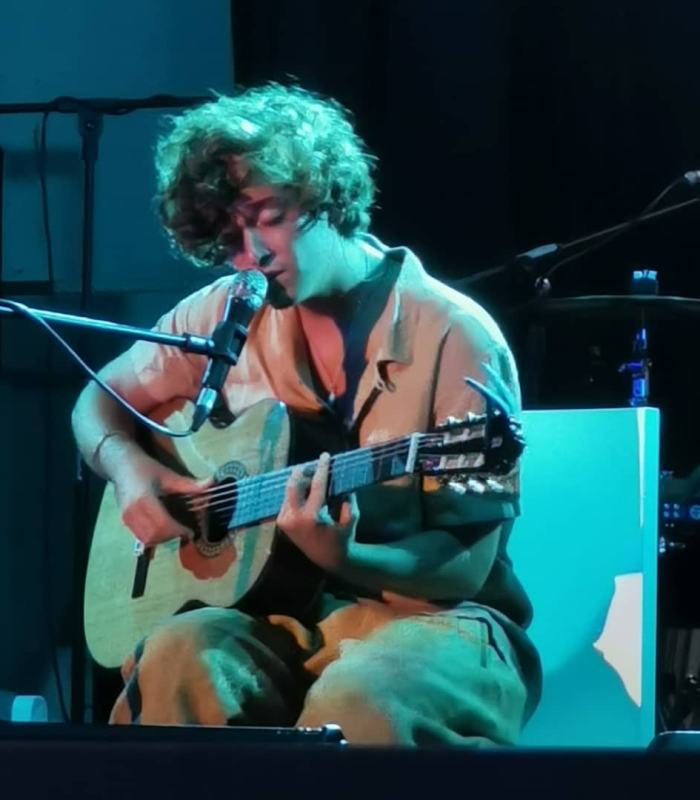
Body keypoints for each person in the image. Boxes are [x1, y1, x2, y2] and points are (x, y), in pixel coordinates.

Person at [71, 83, 542, 746]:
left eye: (267, 217)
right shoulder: (225, 312)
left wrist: (346, 557)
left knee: (359, 699)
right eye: (229, 237)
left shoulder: (455, 334)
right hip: (278, 618)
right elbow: (96, 401)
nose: (253, 255)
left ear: (325, 192)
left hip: (437, 621)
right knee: (178, 655)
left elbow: (463, 567)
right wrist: (129, 472)